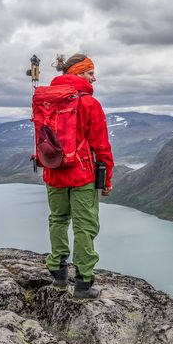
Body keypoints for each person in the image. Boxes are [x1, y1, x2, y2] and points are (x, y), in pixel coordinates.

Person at [43, 53, 114, 299]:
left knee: (58, 219)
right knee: (85, 226)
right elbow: (101, 146)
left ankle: (59, 273)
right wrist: (106, 180)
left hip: (53, 171)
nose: (94, 78)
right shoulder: (89, 104)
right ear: (78, 73)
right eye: (90, 73)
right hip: (81, 174)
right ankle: (83, 282)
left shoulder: (47, 101)